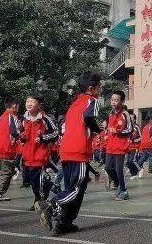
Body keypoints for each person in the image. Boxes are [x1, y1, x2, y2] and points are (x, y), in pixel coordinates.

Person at [38, 72, 104, 235]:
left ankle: (64, 223)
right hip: (79, 150)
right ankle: (51, 204)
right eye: (99, 87)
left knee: (73, 189)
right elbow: (89, 116)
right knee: (75, 189)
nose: (100, 90)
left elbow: (66, 127)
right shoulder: (92, 100)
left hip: (66, 151)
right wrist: (96, 128)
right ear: (91, 89)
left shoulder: (74, 104)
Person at [20, 94, 59, 211]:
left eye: (32, 101)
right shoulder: (23, 119)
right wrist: (21, 137)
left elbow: (56, 133)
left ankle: (40, 200)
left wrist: (43, 138)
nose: (29, 103)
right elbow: (20, 133)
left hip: (40, 156)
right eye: (27, 101)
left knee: (37, 181)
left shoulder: (45, 119)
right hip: (27, 156)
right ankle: (50, 187)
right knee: (30, 180)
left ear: (39, 105)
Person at [104, 90, 133, 200]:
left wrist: (119, 132)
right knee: (108, 168)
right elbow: (109, 128)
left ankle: (124, 191)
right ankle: (119, 185)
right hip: (110, 147)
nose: (113, 102)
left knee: (119, 170)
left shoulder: (125, 114)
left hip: (120, 147)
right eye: (112, 100)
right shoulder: (110, 114)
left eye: (116, 100)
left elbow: (130, 130)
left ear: (122, 101)